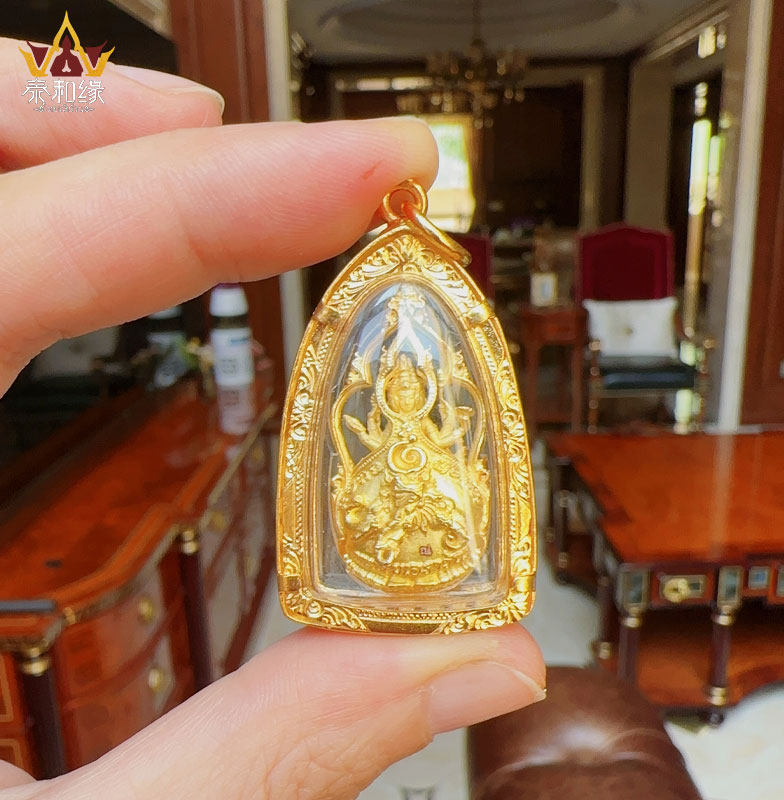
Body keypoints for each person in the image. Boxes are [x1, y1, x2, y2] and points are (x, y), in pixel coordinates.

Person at [0, 37, 546, 799]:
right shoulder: (371, 414)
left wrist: (428, 462)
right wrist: (382, 464)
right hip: (384, 500)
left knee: (442, 498)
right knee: (377, 498)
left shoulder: (433, 410)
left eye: (411, 386)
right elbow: (360, 462)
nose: (401, 392)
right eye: (391, 386)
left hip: (432, 504)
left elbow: (463, 456)